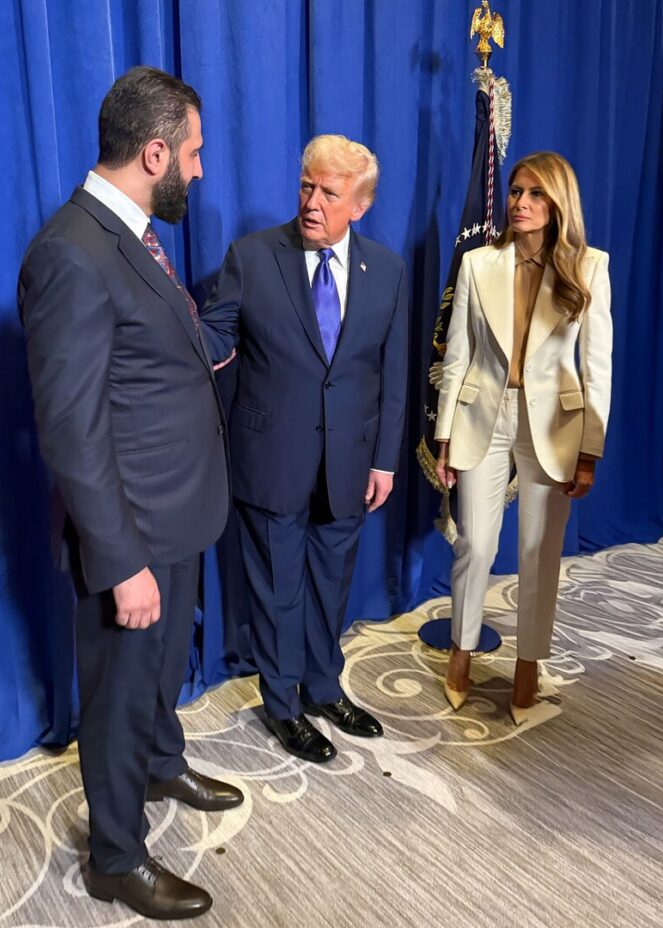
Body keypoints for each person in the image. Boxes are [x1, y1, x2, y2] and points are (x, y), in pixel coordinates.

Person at [18, 67, 243, 920]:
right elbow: (72, 433)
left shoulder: (133, 236)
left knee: (158, 675)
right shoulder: (71, 254)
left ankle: (160, 762)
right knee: (115, 699)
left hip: (176, 514)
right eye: (193, 153)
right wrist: (119, 563)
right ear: (155, 153)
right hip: (130, 535)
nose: (200, 169)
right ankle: (115, 856)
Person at [200, 135, 408, 763]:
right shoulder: (251, 257)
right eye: (306, 186)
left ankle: (323, 688)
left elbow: (391, 374)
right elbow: (213, 337)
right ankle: (283, 705)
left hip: (349, 462)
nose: (312, 202)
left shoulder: (387, 270)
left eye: (329, 193)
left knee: (329, 584)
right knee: (277, 590)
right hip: (272, 459)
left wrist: (385, 459)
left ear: (360, 206)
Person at [434, 151, 612, 724]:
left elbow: (596, 368)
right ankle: (461, 650)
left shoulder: (589, 268)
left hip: (553, 426)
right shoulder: (478, 263)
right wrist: (444, 436)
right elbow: (458, 355)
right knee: (476, 544)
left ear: (558, 204)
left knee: (539, 550)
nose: (521, 203)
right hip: (482, 416)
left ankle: (529, 662)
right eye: (515, 191)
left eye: (536, 193)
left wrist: (589, 450)